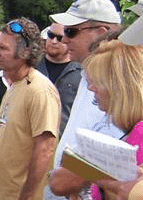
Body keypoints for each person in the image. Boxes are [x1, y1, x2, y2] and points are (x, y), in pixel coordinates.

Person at [47, 0, 124, 199]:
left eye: (71, 31)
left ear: (100, 32)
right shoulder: (85, 75)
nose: (63, 39)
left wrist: (67, 177)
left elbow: (117, 153)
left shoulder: (117, 84)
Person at [0, 18, 61, 200]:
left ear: (26, 51)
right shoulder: (14, 87)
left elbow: (45, 149)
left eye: (3, 48)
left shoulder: (40, 90)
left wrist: (27, 196)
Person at [81, 39, 143, 200]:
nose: (90, 87)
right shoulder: (134, 132)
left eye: (97, 81)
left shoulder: (140, 136)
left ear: (120, 86)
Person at [36, 22, 82, 135]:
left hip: (63, 141)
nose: (53, 41)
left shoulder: (82, 73)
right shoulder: (31, 66)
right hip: (29, 139)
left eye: (59, 38)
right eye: (50, 35)